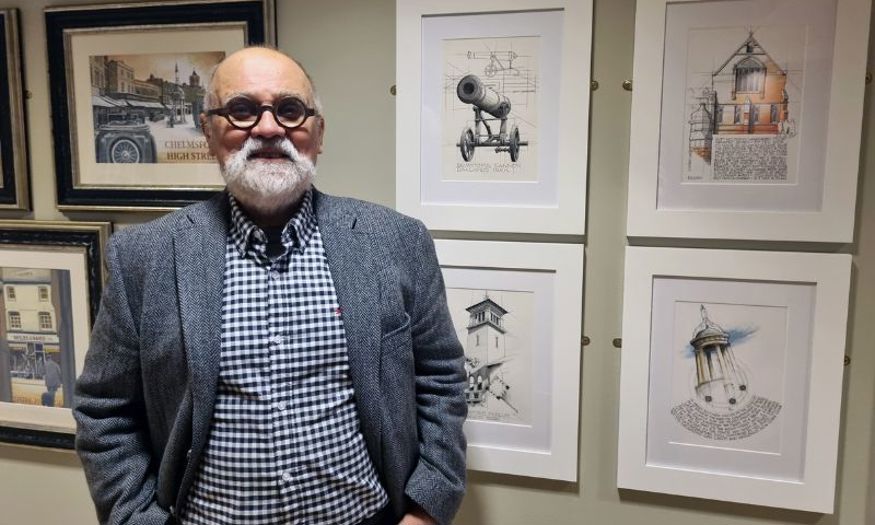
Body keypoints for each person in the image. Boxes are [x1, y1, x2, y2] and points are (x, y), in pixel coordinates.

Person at [73, 46, 467, 525]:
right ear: (208, 133)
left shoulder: (397, 241)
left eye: (289, 109)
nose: (267, 128)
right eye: (241, 109)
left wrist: (426, 510)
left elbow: (442, 380)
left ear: (317, 133)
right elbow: (104, 411)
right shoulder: (144, 257)